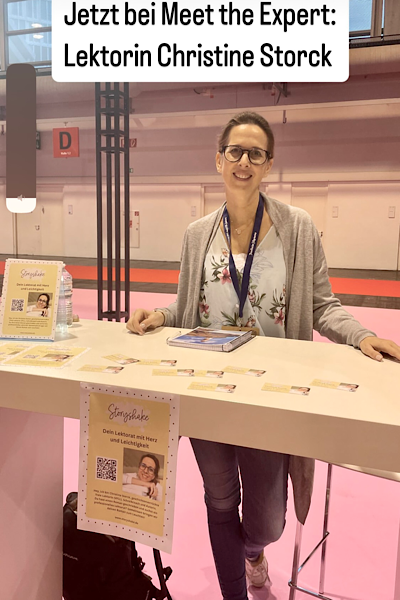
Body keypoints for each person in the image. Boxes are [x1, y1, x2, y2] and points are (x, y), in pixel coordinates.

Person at [126, 111, 400, 600]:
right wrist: (160, 317)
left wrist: (360, 335)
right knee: (219, 497)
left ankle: (252, 551)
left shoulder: (298, 229)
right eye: (235, 151)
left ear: (269, 164)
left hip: (270, 395)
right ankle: (236, 591)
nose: (244, 161)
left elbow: (321, 306)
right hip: (204, 386)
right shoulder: (197, 234)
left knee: (269, 518)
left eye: (256, 153)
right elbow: (188, 304)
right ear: (218, 160)